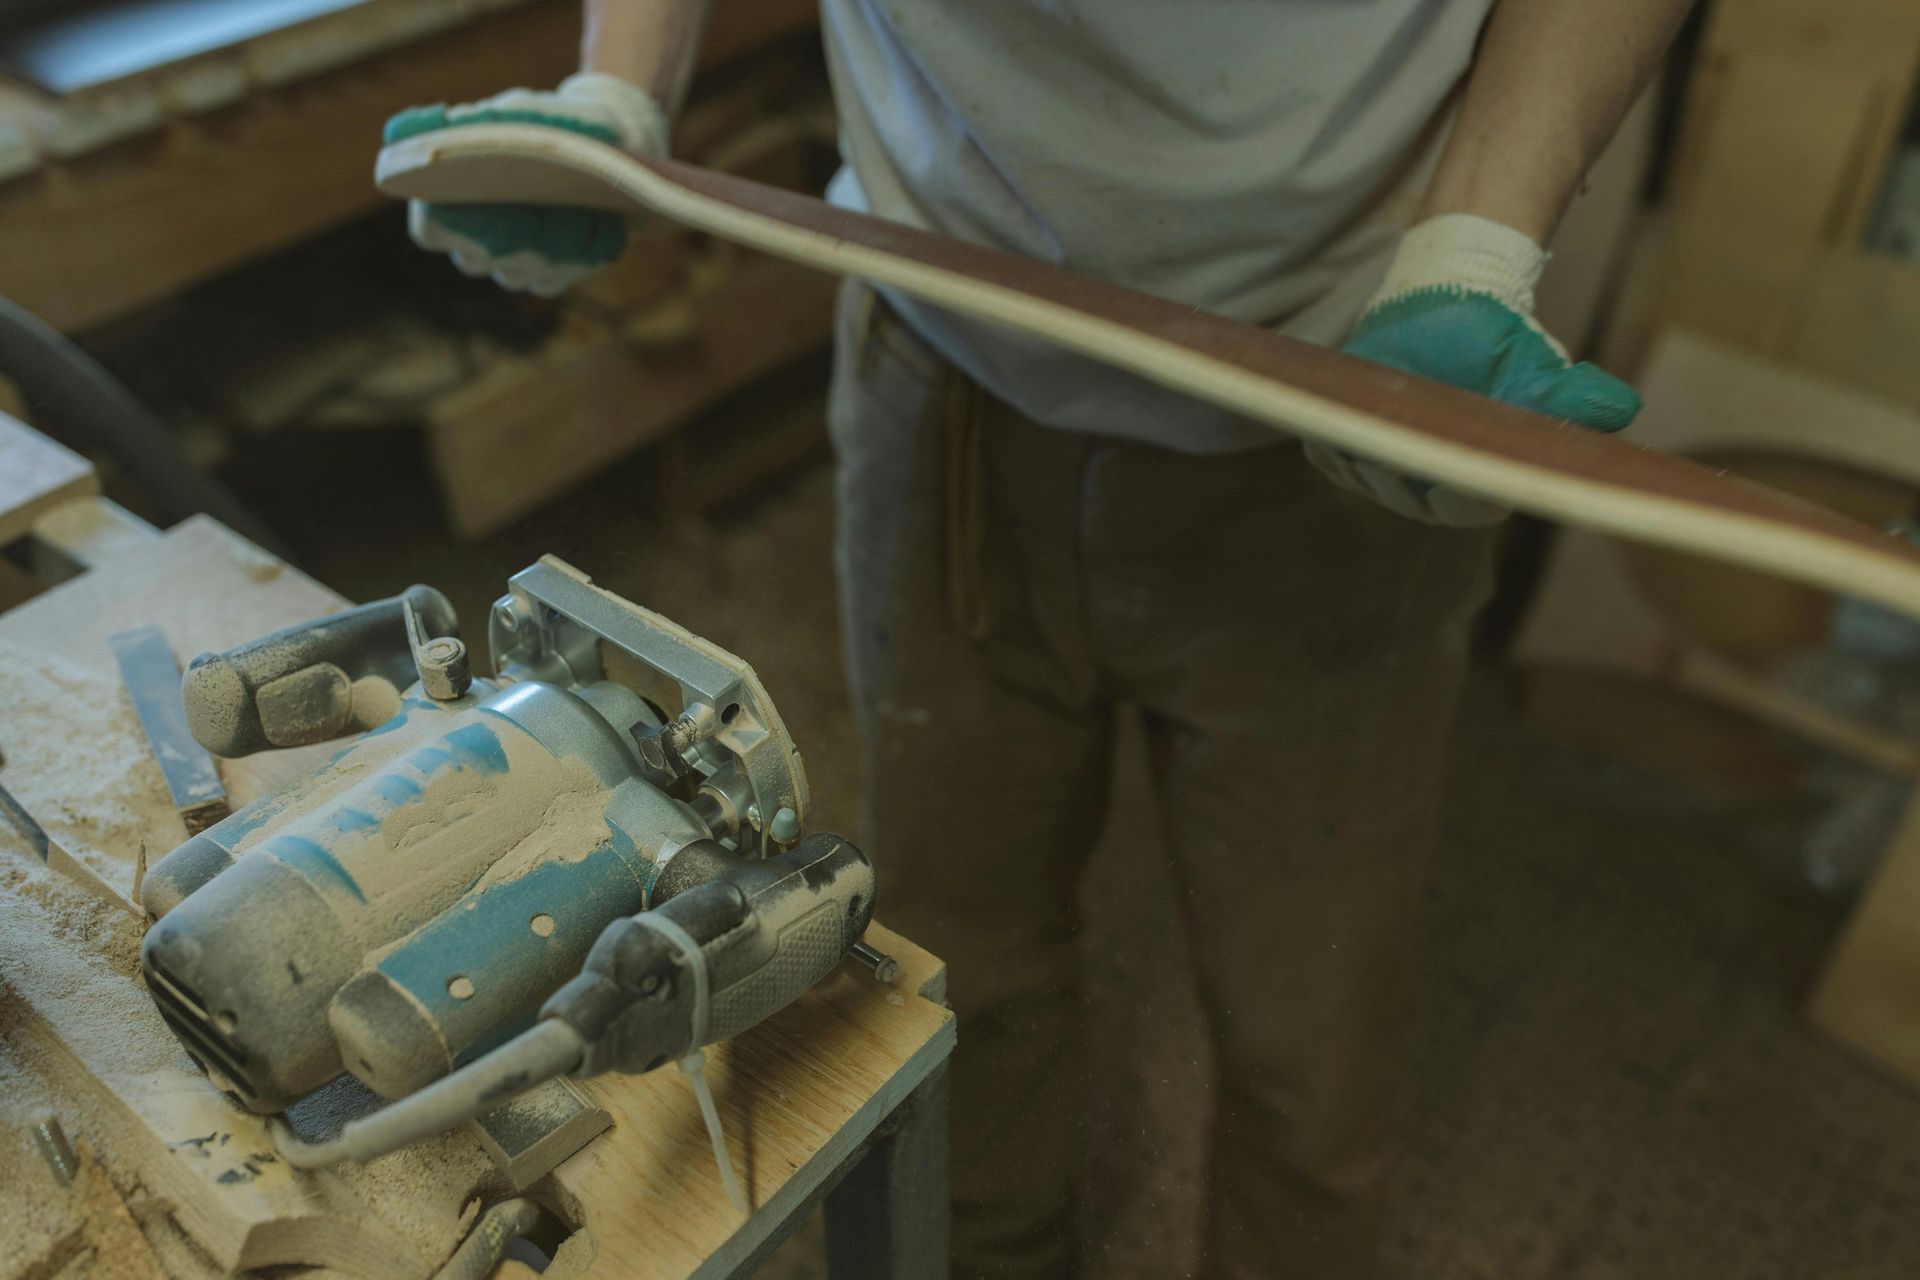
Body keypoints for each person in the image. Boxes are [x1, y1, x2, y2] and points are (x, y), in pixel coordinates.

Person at [391, 1, 1694, 1274]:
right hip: (943, 341)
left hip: (1349, 396)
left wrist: (1478, 245)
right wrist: (621, 87)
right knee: (957, 964)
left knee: (1310, 1026)